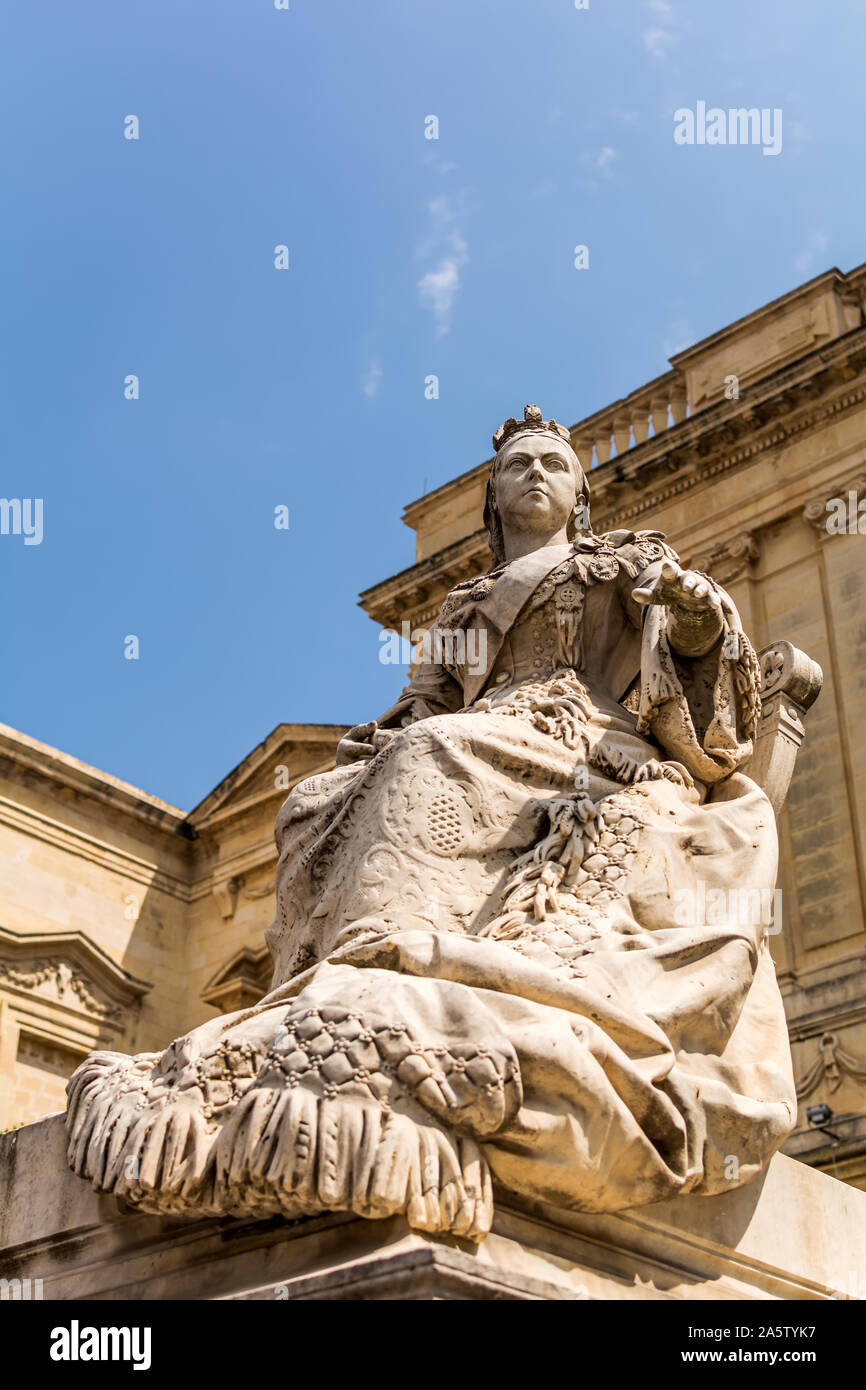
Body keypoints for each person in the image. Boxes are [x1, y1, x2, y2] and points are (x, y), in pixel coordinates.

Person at [67, 406, 795, 1243]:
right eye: (518, 464)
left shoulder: (618, 568)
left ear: (579, 495)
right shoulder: (465, 603)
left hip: (589, 743)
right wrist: (366, 749)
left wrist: (694, 612)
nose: (535, 474)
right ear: (493, 497)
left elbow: (697, 663)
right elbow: (424, 706)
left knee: (434, 754)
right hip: (480, 735)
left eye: (553, 464)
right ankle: (370, 962)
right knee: (318, 802)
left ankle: (401, 956)